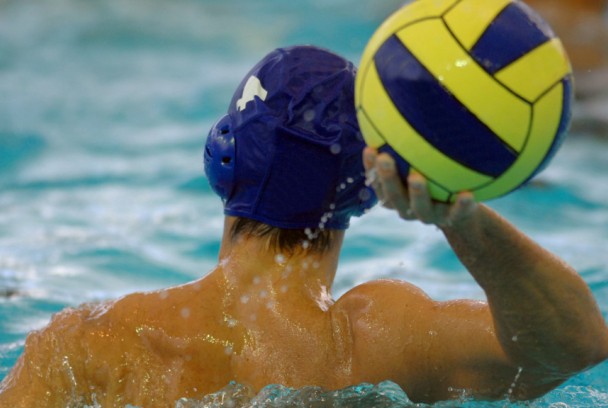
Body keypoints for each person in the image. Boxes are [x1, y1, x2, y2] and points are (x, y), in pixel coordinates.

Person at [1, 45, 607, 407]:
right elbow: (576, 348)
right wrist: (460, 218)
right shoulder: (384, 343)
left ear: (222, 159)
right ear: (362, 195)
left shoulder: (87, 344)